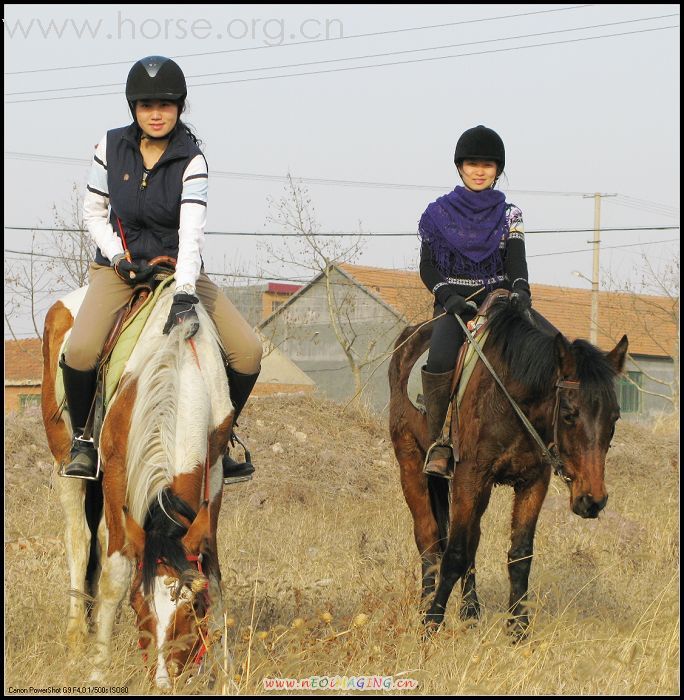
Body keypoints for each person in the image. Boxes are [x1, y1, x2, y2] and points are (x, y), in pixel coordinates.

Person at [60, 55, 263, 484]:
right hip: (119, 269)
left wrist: (186, 290)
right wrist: (117, 256)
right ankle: (84, 439)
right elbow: (94, 213)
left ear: (180, 107)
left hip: (177, 269)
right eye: (147, 104)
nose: (156, 113)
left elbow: (192, 232)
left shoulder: (193, 160)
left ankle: (221, 440)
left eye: (166, 105)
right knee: (79, 351)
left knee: (248, 353)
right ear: (133, 107)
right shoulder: (109, 148)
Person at [418, 125, 531, 479]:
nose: (479, 170)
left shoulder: (511, 214)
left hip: (498, 303)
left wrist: (521, 289)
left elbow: (515, 260)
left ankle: (542, 436)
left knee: (538, 351)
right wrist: (447, 297)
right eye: (472, 163)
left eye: (488, 164)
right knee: (439, 358)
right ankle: (440, 440)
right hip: (454, 303)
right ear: (460, 167)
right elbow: (427, 266)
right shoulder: (437, 214)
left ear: (498, 169)